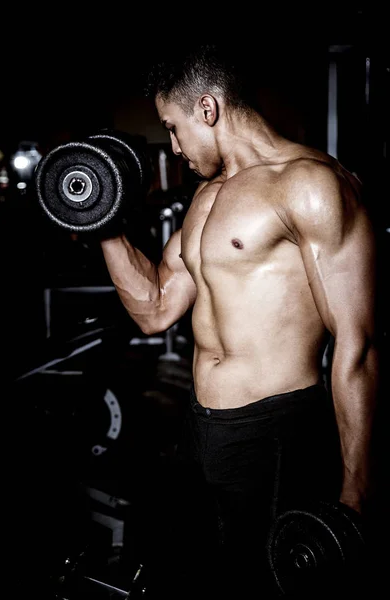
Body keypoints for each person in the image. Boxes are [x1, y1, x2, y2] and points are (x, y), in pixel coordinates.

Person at [99, 43, 380, 599]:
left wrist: (357, 493)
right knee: (199, 579)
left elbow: (359, 345)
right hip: (203, 430)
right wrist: (103, 223)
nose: (174, 146)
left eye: (174, 128)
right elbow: (155, 309)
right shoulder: (205, 200)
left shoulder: (310, 186)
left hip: (278, 434)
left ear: (208, 108)